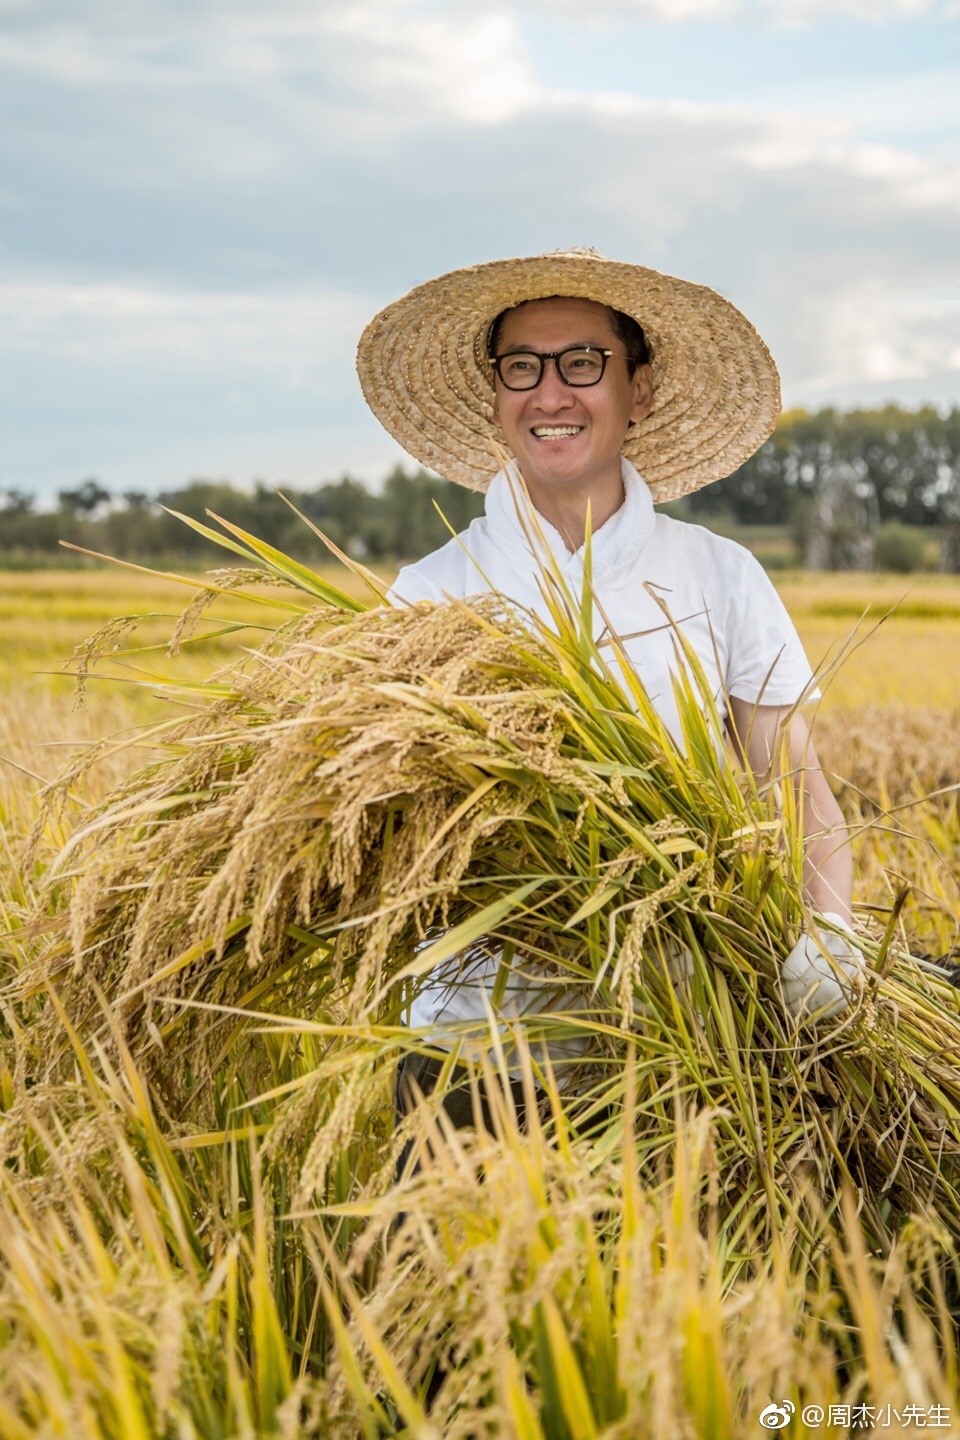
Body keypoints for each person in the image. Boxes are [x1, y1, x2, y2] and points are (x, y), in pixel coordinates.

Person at [356, 247, 862, 1122]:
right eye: (522, 366)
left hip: (686, 1047)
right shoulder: (428, 593)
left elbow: (798, 790)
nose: (550, 394)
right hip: (474, 1054)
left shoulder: (719, 575)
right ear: (495, 393)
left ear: (642, 387)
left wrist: (833, 935)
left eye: (583, 362)